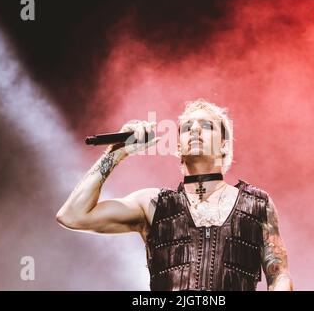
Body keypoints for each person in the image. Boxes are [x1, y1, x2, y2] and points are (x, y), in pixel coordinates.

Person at [56, 99, 293, 291]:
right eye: (187, 128)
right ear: (178, 147)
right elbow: (73, 215)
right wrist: (117, 153)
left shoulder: (257, 204)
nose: (196, 130)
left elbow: (279, 275)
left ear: (224, 145)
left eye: (207, 126)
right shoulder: (152, 204)